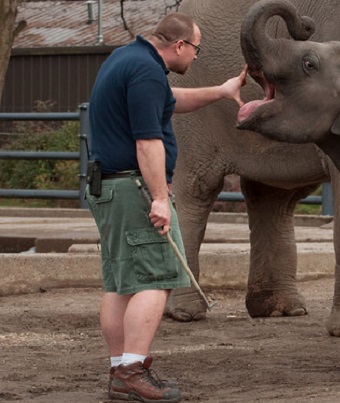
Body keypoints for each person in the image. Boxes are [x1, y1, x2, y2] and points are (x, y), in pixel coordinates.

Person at [85, 12, 246, 403]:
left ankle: (121, 368)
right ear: (179, 46)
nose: (195, 58)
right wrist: (159, 197)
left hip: (107, 185)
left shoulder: (126, 59)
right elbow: (147, 141)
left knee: (121, 283)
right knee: (157, 278)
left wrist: (222, 91)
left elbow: (170, 100)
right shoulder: (146, 71)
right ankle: (131, 372)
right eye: (196, 50)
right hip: (133, 188)